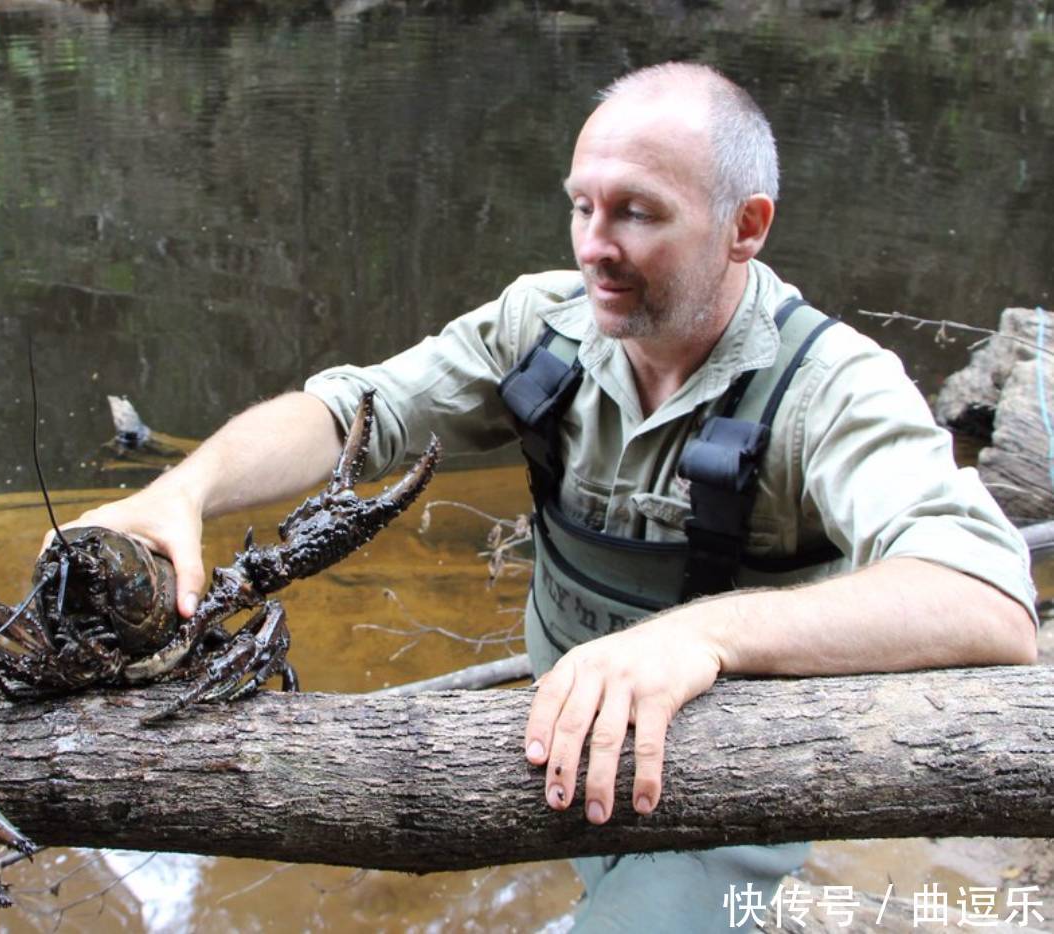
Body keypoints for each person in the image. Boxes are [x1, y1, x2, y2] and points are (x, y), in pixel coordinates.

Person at [58, 62, 1037, 931]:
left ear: (746, 227)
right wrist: (187, 488)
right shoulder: (544, 328)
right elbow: (356, 410)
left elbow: (985, 599)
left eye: (639, 213)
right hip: (551, 738)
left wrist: (699, 636)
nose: (594, 246)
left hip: (728, 784)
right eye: (582, 206)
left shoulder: (830, 386)